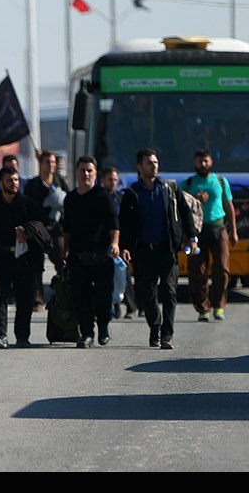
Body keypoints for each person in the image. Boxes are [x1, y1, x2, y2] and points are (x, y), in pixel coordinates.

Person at [119, 148, 198, 350]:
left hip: (167, 249)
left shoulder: (169, 188)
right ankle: (155, 328)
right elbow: (125, 224)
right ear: (140, 167)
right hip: (144, 251)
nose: (154, 166)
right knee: (147, 293)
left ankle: (167, 335)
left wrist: (192, 237)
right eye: (149, 163)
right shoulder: (132, 193)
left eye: (155, 162)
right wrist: (125, 247)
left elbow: (185, 212)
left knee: (170, 291)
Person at [0, 166, 45, 348]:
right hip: (1, 256)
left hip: (24, 257)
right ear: (1, 183)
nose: (14, 183)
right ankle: (1, 335)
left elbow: (40, 227)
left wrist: (28, 234)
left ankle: (22, 337)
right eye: (9, 180)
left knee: (25, 298)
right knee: (0, 297)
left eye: (16, 180)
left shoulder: (28, 204)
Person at [61, 156, 120, 348]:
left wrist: (115, 243)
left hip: (102, 255)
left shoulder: (103, 196)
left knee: (104, 297)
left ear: (96, 174)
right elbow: (67, 229)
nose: (86, 174)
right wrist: (65, 252)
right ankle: (87, 333)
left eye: (90, 171)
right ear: (76, 173)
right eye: (82, 170)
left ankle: (103, 327)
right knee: (81, 296)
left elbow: (113, 224)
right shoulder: (70, 199)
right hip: (79, 256)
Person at [181, 149, 238, 322]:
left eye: (205, 161)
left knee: (222, 269)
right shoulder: (188, 183)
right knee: (198, 272)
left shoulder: (220, 182)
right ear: (194, 162)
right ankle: (203, 309)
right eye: (199, 161)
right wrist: (194, 199)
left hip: (218, 229)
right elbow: (180, 207)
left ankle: (219, 307)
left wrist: (233, 231)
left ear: (211, 162)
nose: (203, 164)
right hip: (196, 233)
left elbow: (229, 206)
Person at [24, 150, 67, 312]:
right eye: (47, 162)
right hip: (38, 229)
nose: (50, 165)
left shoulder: (59, 181)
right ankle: (37, 299)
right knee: (36, 265)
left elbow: (68, 201)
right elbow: (27, 205)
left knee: (61, 260)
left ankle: (63, 292)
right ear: (40, 164)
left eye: (53, 162)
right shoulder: (33, 184)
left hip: (56, 229)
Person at [99, 167, 139, 320]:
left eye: (115, 179)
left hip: (120, 242)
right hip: (103, 241)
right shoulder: (99, 197)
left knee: (124, 275)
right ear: (103, 180)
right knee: (106, 276)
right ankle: (112, 306)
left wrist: (125, 246)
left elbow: (128, 223)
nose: (113, 183)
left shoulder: (121, 198)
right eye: (109, 179)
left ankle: (131, 306)